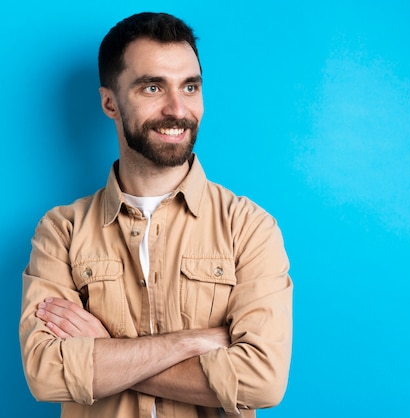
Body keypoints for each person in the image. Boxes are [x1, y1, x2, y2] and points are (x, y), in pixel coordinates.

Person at [19, 12, 292, 418]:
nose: (177, 109)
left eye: (190, 86)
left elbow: (262, 381)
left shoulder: (249, 227)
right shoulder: (61, 231)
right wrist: (195, 342)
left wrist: (107, 353)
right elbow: (46, 374)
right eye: (152, 87)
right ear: (110, 102)